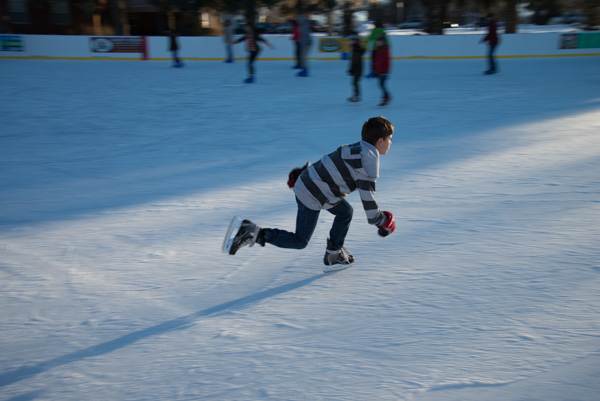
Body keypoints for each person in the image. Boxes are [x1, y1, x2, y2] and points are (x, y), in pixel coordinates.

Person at [226, 116, 397, 272]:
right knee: (300, 240)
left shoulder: (357, 147)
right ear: (380, 141)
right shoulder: (369, 159)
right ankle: (253, 232)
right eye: (389, 139)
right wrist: (381, 220)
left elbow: (331, 161)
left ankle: (333, 253)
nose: (390, 142)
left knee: (345, 212)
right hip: (313, 193)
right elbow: (367, 198)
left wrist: (305, 172)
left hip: (310, 183)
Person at [373, 34, 391, 106]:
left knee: (382, 84)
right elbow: (377, 62)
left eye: (380, 41)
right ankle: (386, 97)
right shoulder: (378, 49)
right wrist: (376, 71)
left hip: (384, 71)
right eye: (378, 41)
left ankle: (386, 97)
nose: (378, 42)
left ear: (383, 42)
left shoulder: (385, 49)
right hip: (380, 71)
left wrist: (385, 71)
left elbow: (386, 62)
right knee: (381, 84)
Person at [347, 34, 365, 103]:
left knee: (355, 82)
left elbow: (355, 61)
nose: (350, 41)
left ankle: (357, 96)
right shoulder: (356, 48)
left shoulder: (356, 49)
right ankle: (356, 96)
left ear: (355, 41)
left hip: (357, 69)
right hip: (358, 68)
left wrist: (351, 69)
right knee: (355, 82)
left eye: (351, 40)